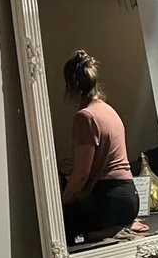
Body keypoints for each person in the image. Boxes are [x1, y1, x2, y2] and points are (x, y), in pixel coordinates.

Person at [60, 50, 141, 243]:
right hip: (130, 198)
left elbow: (81, 175)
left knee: (62, 226)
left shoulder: (85, 117)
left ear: (71, 86)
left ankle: (105, 233)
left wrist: (60, 204)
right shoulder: (109, 111)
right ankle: (123, 226)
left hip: (109, 200)